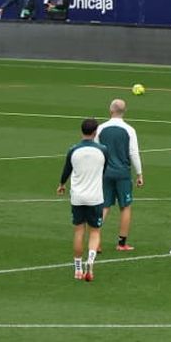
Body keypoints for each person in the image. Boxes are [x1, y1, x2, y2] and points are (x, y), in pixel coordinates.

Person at [56, 119, 106, 282]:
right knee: (95, 231)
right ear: (95, 132)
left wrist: (61, 184)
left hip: (77, 197)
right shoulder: (103, 150)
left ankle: (77, 268)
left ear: (81, 131)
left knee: (79, 231)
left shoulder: (73, 150)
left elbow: (66, 170)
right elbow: (104, 169)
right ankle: (90, 261)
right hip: (95, 197)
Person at [96, 99, 144, 252]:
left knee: (104, 206)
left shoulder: (101, 128)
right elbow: (133, 153)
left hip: (105, 173)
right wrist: (139, 173)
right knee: (125, 207)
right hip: (122, 173)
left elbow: (96, 150)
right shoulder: (129, 129)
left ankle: (95, 241)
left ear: (111, 110)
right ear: (124, 111)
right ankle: (122, 243)